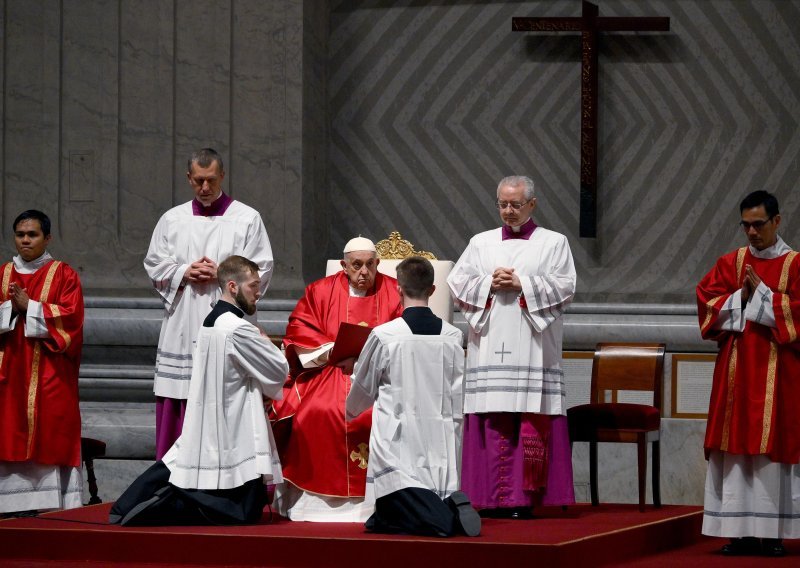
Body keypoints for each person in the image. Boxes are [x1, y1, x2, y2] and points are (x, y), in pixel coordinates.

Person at [110, 256, 288, 526]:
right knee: (241, 509)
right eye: (253, 285)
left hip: (217, 413)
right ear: (232, 286)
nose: (258, 292)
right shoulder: (238, 329)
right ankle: (167, 504)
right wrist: (266, 342)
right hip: (233, 418)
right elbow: (278, 369)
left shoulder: (212, 320)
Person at [447, 175, 577, 518]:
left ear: (532, 204)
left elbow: (565, 287)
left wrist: (523, 283)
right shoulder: (480, 243)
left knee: (527, 415)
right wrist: (489, 284)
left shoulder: (554, 243)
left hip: (534, 345)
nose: (508, 211)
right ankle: (486, 498)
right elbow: (458, 282)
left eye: (516, 205)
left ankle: (525, 499)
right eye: (502, 204)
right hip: (489, 344)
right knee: (491, 418)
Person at [144, 148, 273, 459]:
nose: (205, 188)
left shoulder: (246, 218)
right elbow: (153, 264)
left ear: (222, 177)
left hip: (230, 324)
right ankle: (173, 481)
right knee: (182, 396)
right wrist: (184, 271)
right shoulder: (171, 219)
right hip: (183, 319)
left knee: (229, 396)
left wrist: (221, 274)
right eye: (198, 181)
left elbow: (262, 269)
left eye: (211, 180)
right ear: (189, 178)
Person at [697, 190, 800, 557]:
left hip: (779, 375)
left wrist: (765, 297)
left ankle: (772, 533)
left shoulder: (795, 264)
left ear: (777, 221)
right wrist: (740, 297)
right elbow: (706, 303)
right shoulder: (731, 263)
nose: (752, 232)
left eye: (759, 224)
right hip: (736, 376)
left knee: (770, 452)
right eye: (746, 225)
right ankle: (738, 532)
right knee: (736, 451)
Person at [346, 256, 480, 537]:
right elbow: (458, 392)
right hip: (439, 436)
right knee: (388, 516)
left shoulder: (385, 335)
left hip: (398, 438)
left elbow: (364, 387)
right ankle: (444, 504)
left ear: (398, 289)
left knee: (405, 492)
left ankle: (447, 517)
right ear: (433, 290)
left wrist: (352, 408)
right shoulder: (453, 336)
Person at [271, 237, 402, 521]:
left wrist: (367, 358)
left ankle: (382, 499)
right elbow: (299, 326)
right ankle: (314, 502)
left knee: (381, 413)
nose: (364, 272)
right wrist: (333, 349)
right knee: (314, 412)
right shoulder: (320, 291)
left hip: (381, 374)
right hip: (329, 369)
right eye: (357, 265)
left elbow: (406, 331)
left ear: (378, 264)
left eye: (370, 265)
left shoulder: (395, 291)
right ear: (344, 266)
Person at [0, 210, 84, 514]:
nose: (25, 240)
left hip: (50, 373)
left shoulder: (64, 275)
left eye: (32, 234)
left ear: (47, 238)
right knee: (8, 429)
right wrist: (14, 308)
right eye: (20, 234)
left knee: (49, 434)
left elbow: (71, 322)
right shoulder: (3, 273)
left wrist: (30, 307)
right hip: (9, 372)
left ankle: (51, 508)